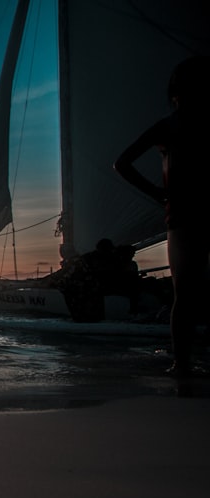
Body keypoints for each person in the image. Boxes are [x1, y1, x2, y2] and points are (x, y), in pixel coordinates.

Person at [114, 55, 210, 375]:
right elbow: (122, 163)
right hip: (184, 217)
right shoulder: (173, 127)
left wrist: (160, 194)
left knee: (185, 295)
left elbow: (122, 163)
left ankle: (182, 366)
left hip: (182, 216)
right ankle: (182, 364)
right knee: (185, 296)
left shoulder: (169, 127)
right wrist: (159, 194)